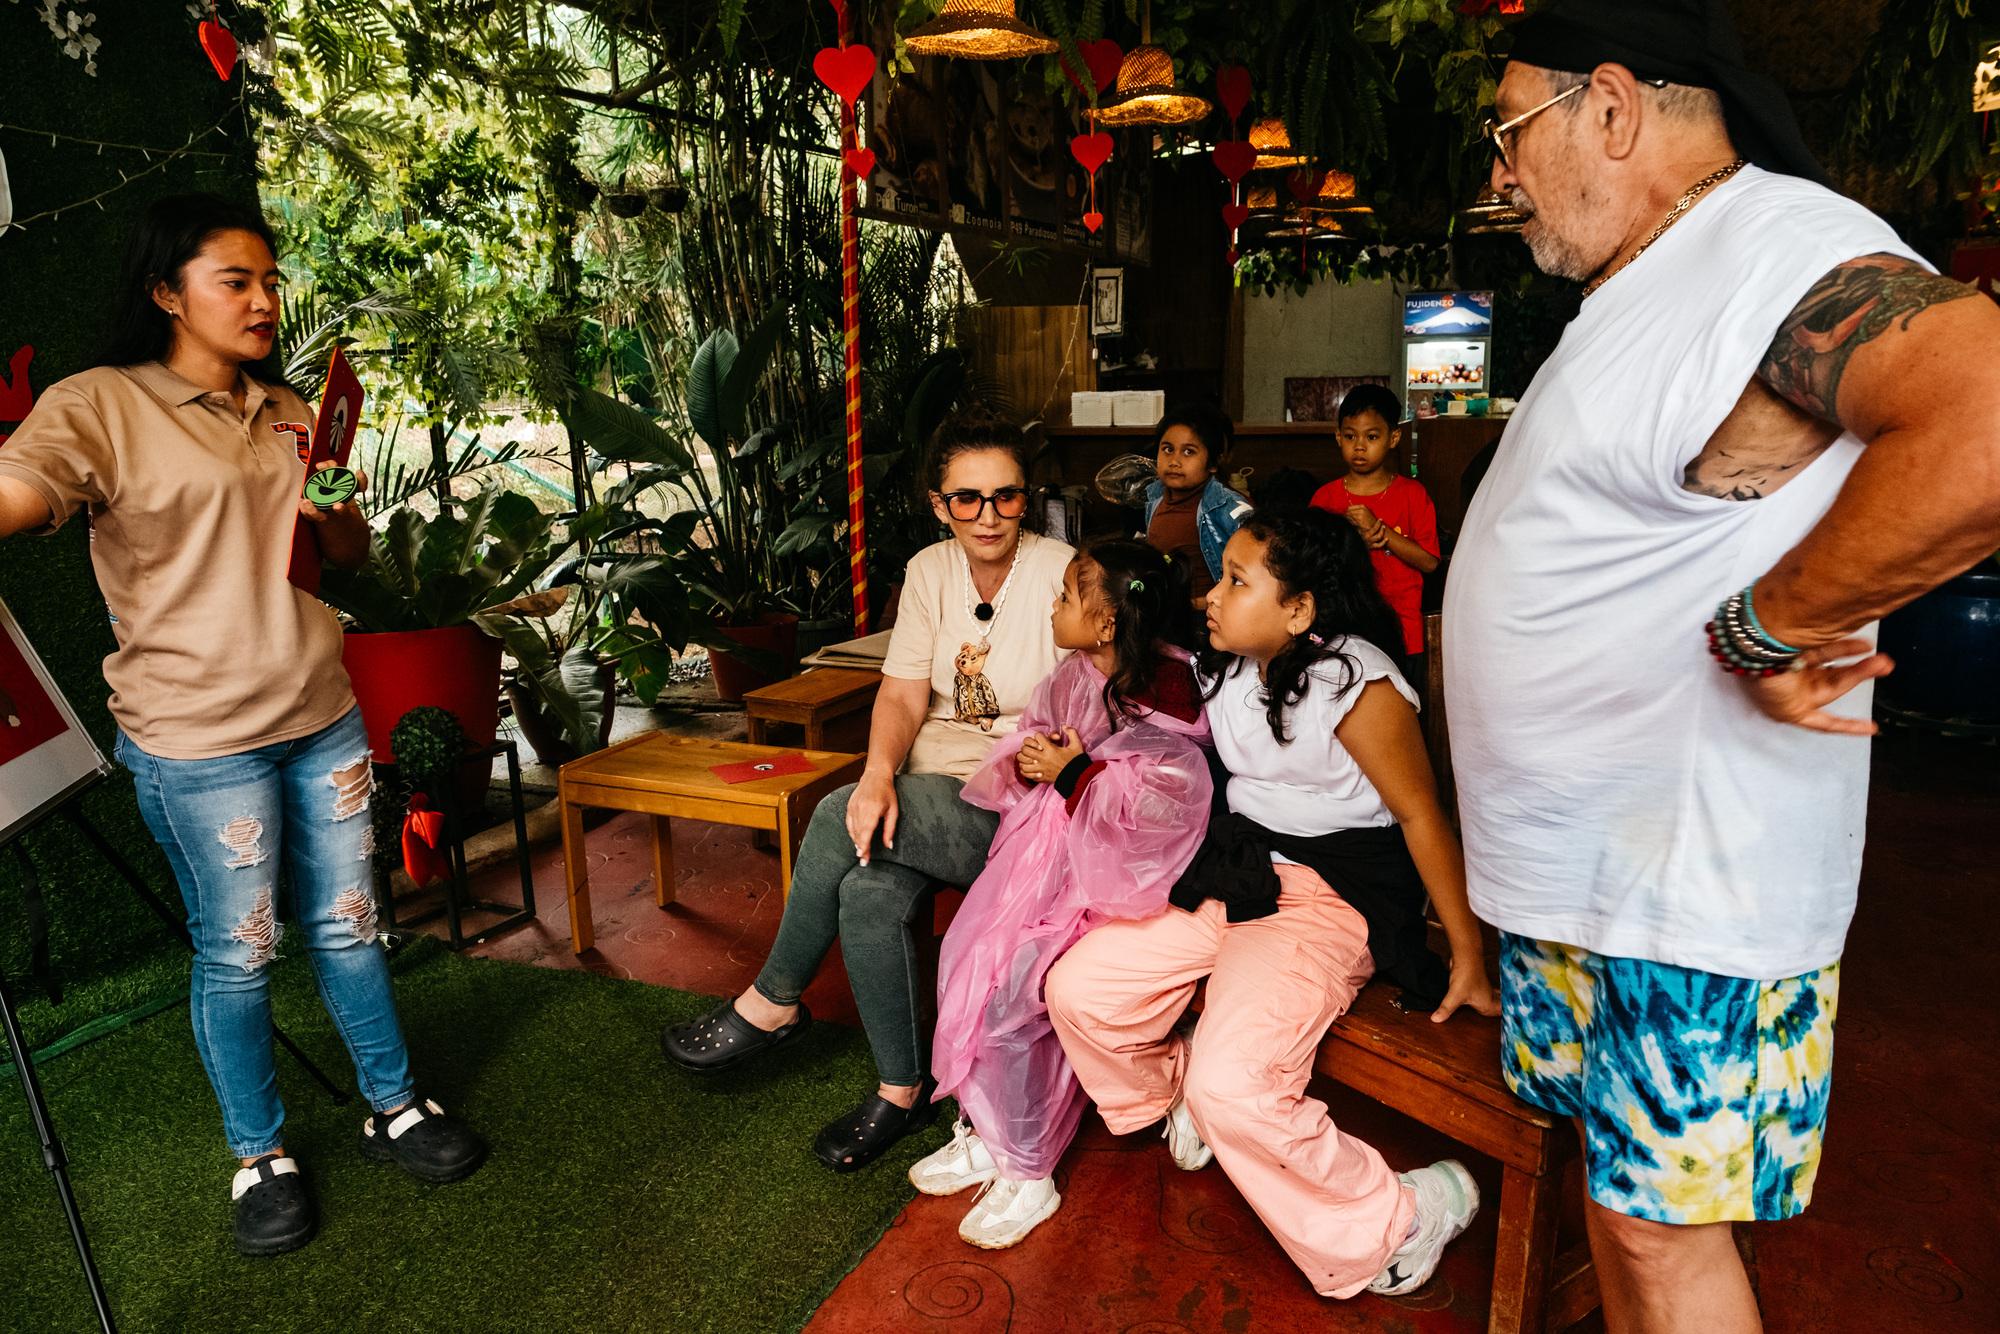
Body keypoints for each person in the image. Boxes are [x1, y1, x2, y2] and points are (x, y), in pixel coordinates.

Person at [1447, 3, 2000, 1330]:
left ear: (1611, 106)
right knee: (1620, 1208)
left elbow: (1985, 419)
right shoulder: (1654, 275)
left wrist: (1775, 622)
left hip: (1686, 886)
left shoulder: (1778, 245)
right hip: (1587, 877)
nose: (1499, 169)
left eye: (1510, 130)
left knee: (1662, 1232)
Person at [0, 194, 486, 1257]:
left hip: (322, 715)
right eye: (236, 281)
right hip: (197, 742)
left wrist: (337, 515)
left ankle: (395, 1103)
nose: (265, 300)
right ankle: (258, 1152)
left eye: (270, 280)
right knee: (241, 948)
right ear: (167, 293)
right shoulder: (101, 402)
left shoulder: (291, 408)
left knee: (351, 921)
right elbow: (24, 489)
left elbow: (344, 555)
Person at [1046, 508, 1500, 1302]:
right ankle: (1179, 1094)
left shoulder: (1353, 681)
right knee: (1081, 991)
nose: (1213, 596)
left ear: (1299, 610)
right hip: (1240, 873)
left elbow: (1423, 816)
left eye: (1236, 581)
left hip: (1328, 895)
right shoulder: (1227, 665)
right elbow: (1133, 640)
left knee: (1235, 1087)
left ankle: (1403, 1213)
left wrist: (1467, 955)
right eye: (1219, 578)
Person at [662, 413, 1075, 1172]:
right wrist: (880, 774)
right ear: (938, 504)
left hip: (1019, 805)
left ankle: (774, 1000)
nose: (988, 515)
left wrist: (1065, 757)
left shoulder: (1063, 572)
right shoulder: (928, 572)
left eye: (1006, 496)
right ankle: (902, 1090)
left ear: (1028, 498)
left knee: (832, 813)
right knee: (868, 893)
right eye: (967, 498)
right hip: (928, 787)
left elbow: (1104, 691)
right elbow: (902, 692)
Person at [912, 539, 1212, 1249]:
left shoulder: (1170, 696)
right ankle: (988, 1127)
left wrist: (1074, 774)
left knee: (1019, 987)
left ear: (1106, 623)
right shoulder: (1075, 673)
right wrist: (1028, 762)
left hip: (1112, 885)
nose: (1054, 606)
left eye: (1068, 595)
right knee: (973, 963)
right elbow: (1030, 743)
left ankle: (1027, 1164)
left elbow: (1167, 810)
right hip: (1042, 866)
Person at [1310, 385, 1439, 675]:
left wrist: (1383, 533)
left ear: (1393, 438)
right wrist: (1351, 540)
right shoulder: (1325, 498)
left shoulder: (1412, 494)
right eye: (1350, 436)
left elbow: (1429, 562)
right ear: (1338, 436)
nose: (1359, 446)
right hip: (1343, 631)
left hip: (1403, 632)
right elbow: (1312, 567)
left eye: (1371, 437)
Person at [1139, 403, 1250, 602]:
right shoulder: (1154, 498)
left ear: (1213, 463)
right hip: (1166, 607)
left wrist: (1204, 604)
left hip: (1207, 612)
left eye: (1188, 452)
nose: (1174, 461)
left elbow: (1254, 572)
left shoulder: (1228, 508)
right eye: (1167, 449)